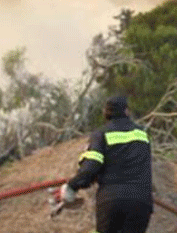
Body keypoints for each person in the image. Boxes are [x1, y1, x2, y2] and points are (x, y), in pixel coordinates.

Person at [55, 95, 153, 233]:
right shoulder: (143, 134)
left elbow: (91, 167)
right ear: (127, 111)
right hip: (141, 201)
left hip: (112, 201)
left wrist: (71, 187)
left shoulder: (102, 134)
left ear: (105, 113)